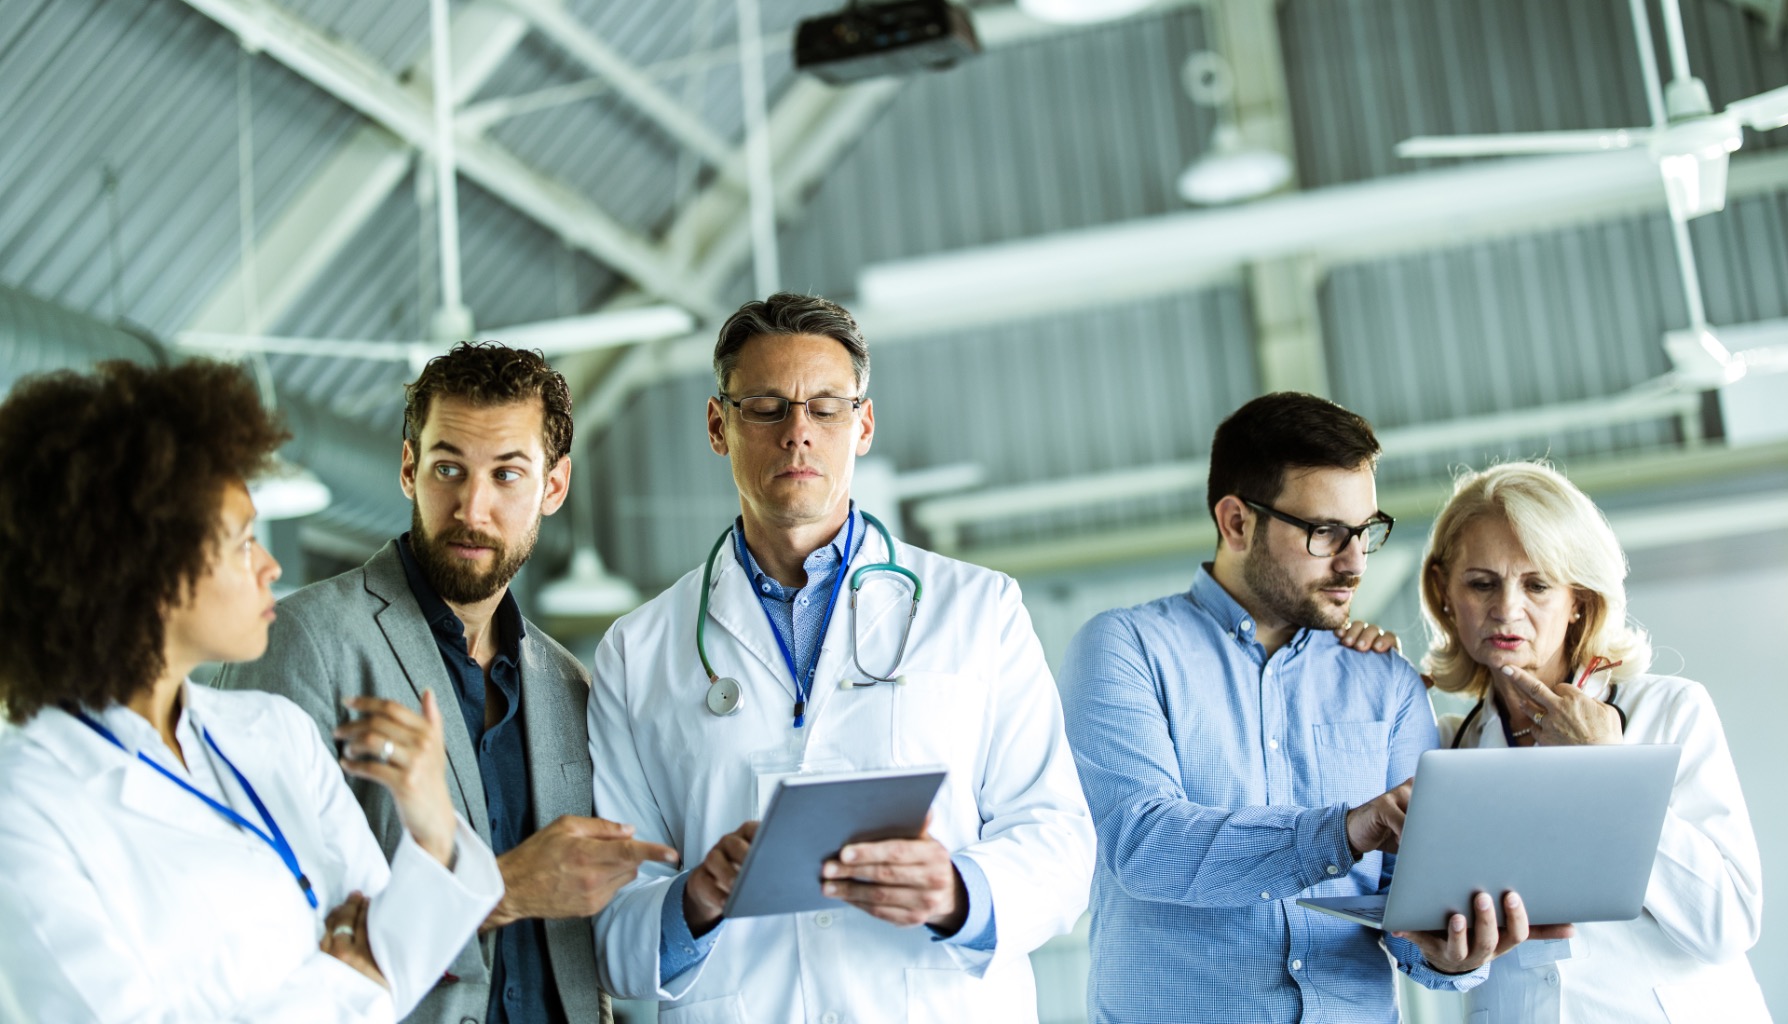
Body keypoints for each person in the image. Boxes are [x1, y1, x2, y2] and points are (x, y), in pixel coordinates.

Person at [586, 293, 1095, 1021]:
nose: (798, 432)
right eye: (765, 407)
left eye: (826, 407)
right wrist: (692, 899)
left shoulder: (979, 611)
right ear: (716, 424)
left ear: (863, 425)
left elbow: (1060, 845)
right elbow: (609, 927)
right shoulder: (638, 654)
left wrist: (958, 893)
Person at [0, 358, 502, 1022]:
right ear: (144, 572)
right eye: (242, 544)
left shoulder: (274, 731)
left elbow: (403, 953)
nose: (272, 565)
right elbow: (378, 971)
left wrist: (432, 828)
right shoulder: (26, 804)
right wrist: (345, 971)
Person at [1058, 392, 1567, 1023]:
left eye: (1364, 532)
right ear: (1237, 522)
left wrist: (1452, 957)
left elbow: (1411, 913)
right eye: (1326, 533)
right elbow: (1143, 845)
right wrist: (1348, 830)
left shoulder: (1386, 682)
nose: (1354, 563)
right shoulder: (1126, 648)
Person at [218, 343, 674, 1024]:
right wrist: (509, 886)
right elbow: (253, 914)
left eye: (508, 475)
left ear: (554, 486)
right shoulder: (301, 639)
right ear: (410, 468)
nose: (471, 507)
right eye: (448, 468)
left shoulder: (572, 686)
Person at [1423, 461, 1770, 1023]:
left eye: (1537, 585)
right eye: (1481, 583)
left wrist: (1607, 769)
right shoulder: (1446, 749)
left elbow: (1726, 924)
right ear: (1444, 591)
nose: (1506, 609)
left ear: (1579, 599)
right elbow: (1437, 942)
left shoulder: (1670, 712)